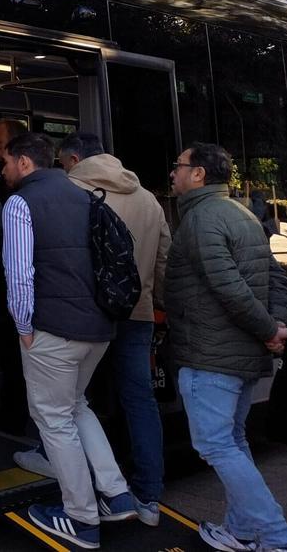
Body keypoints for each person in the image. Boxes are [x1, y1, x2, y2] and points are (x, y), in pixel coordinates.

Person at [0, 132, 137, 549]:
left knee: (53, 419)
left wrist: (23, 326)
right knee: (76, 407)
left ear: (25, 163)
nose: (2, 170)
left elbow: (20, 274)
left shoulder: (20, 203)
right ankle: (116, 494)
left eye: (6, 161)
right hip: (97, 330)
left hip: (53, 331)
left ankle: (80, 518)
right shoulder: (84, 195)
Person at [166, 143, 287, 552]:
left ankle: (278, 538)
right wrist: (275, 327)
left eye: (179, 166)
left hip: (211, 356)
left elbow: (228, 288)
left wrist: (267, 330)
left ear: (200, 174)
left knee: (216, 445)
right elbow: (278, 281)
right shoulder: (244, 215)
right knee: (234, 442)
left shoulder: (200, 220)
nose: (173, 174)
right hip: (242, 357)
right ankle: (239, 532)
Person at [51, 133, 169, 526]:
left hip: (90, 313)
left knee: (72, 399)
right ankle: (148, 498)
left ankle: (87, 489)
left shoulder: (72, 189)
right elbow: (164, 261)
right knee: (139, 400)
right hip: (138, 313)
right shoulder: (148, 198)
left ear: (72, 159)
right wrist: (152, 301)